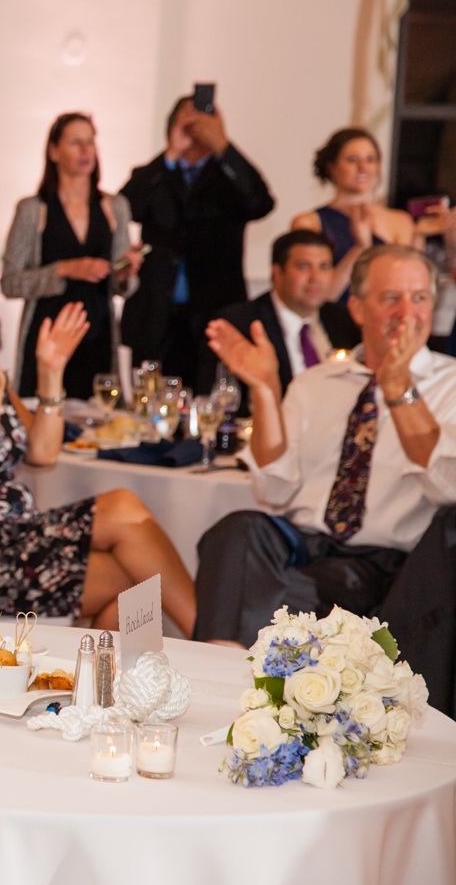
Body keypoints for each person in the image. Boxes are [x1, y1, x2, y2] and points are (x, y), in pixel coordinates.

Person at [0, 277, 197, 633]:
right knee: (133, 574)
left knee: (126, 517)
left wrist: (50, 373)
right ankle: (206, 640)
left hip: (16, 533)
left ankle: (190, 643)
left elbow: (42, 452)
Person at [193, 245, 456, 647]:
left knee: (260, 590)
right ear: (356, 308)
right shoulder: (316, 382)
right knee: (236, 532)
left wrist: (398, 388)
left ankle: (224, 673)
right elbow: (274, 491)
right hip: (304, 542)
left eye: (419, 298)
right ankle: (228, 664)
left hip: (384, 564)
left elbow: (447, 486)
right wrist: (265, 389)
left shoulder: (450, 384)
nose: (407, 313)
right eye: (391, 298)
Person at [119, 95, 275, 381]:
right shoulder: (155, 173)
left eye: (206, 119)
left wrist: (223, 146)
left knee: (211, 402)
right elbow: (126, 207)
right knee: (151, 404)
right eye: (187, 119)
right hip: (157, 316)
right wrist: (171, 153)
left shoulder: (229, 176)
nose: (197, 125)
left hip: (215, 312)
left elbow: (261, 203)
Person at [0, 113, 141, 399]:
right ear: (54, 151)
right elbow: (9, 282)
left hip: (98, 335)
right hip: (47, 334)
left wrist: (125, 275)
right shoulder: (32, 209)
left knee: (99, 424)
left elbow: (123, 287)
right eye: (75, 142)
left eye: (90, 141)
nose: (86, 150)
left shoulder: (115, 207)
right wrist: (63, 269)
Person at [291, 127, 452, 302]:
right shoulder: (310, 222)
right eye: (353, 160)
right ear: (332, 167)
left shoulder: (400, 220)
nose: (363, 167)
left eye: (370, 159)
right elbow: (323, 296)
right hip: (335, 320)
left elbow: (410, 287)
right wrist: (359, 247)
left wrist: (420, 235)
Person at [201, 230, 361, 403]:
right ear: (277, 272)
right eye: (304, 266)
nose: (315, 278)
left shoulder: (344, 319)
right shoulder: (239, 323)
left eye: (324, 267)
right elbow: (216, 399)